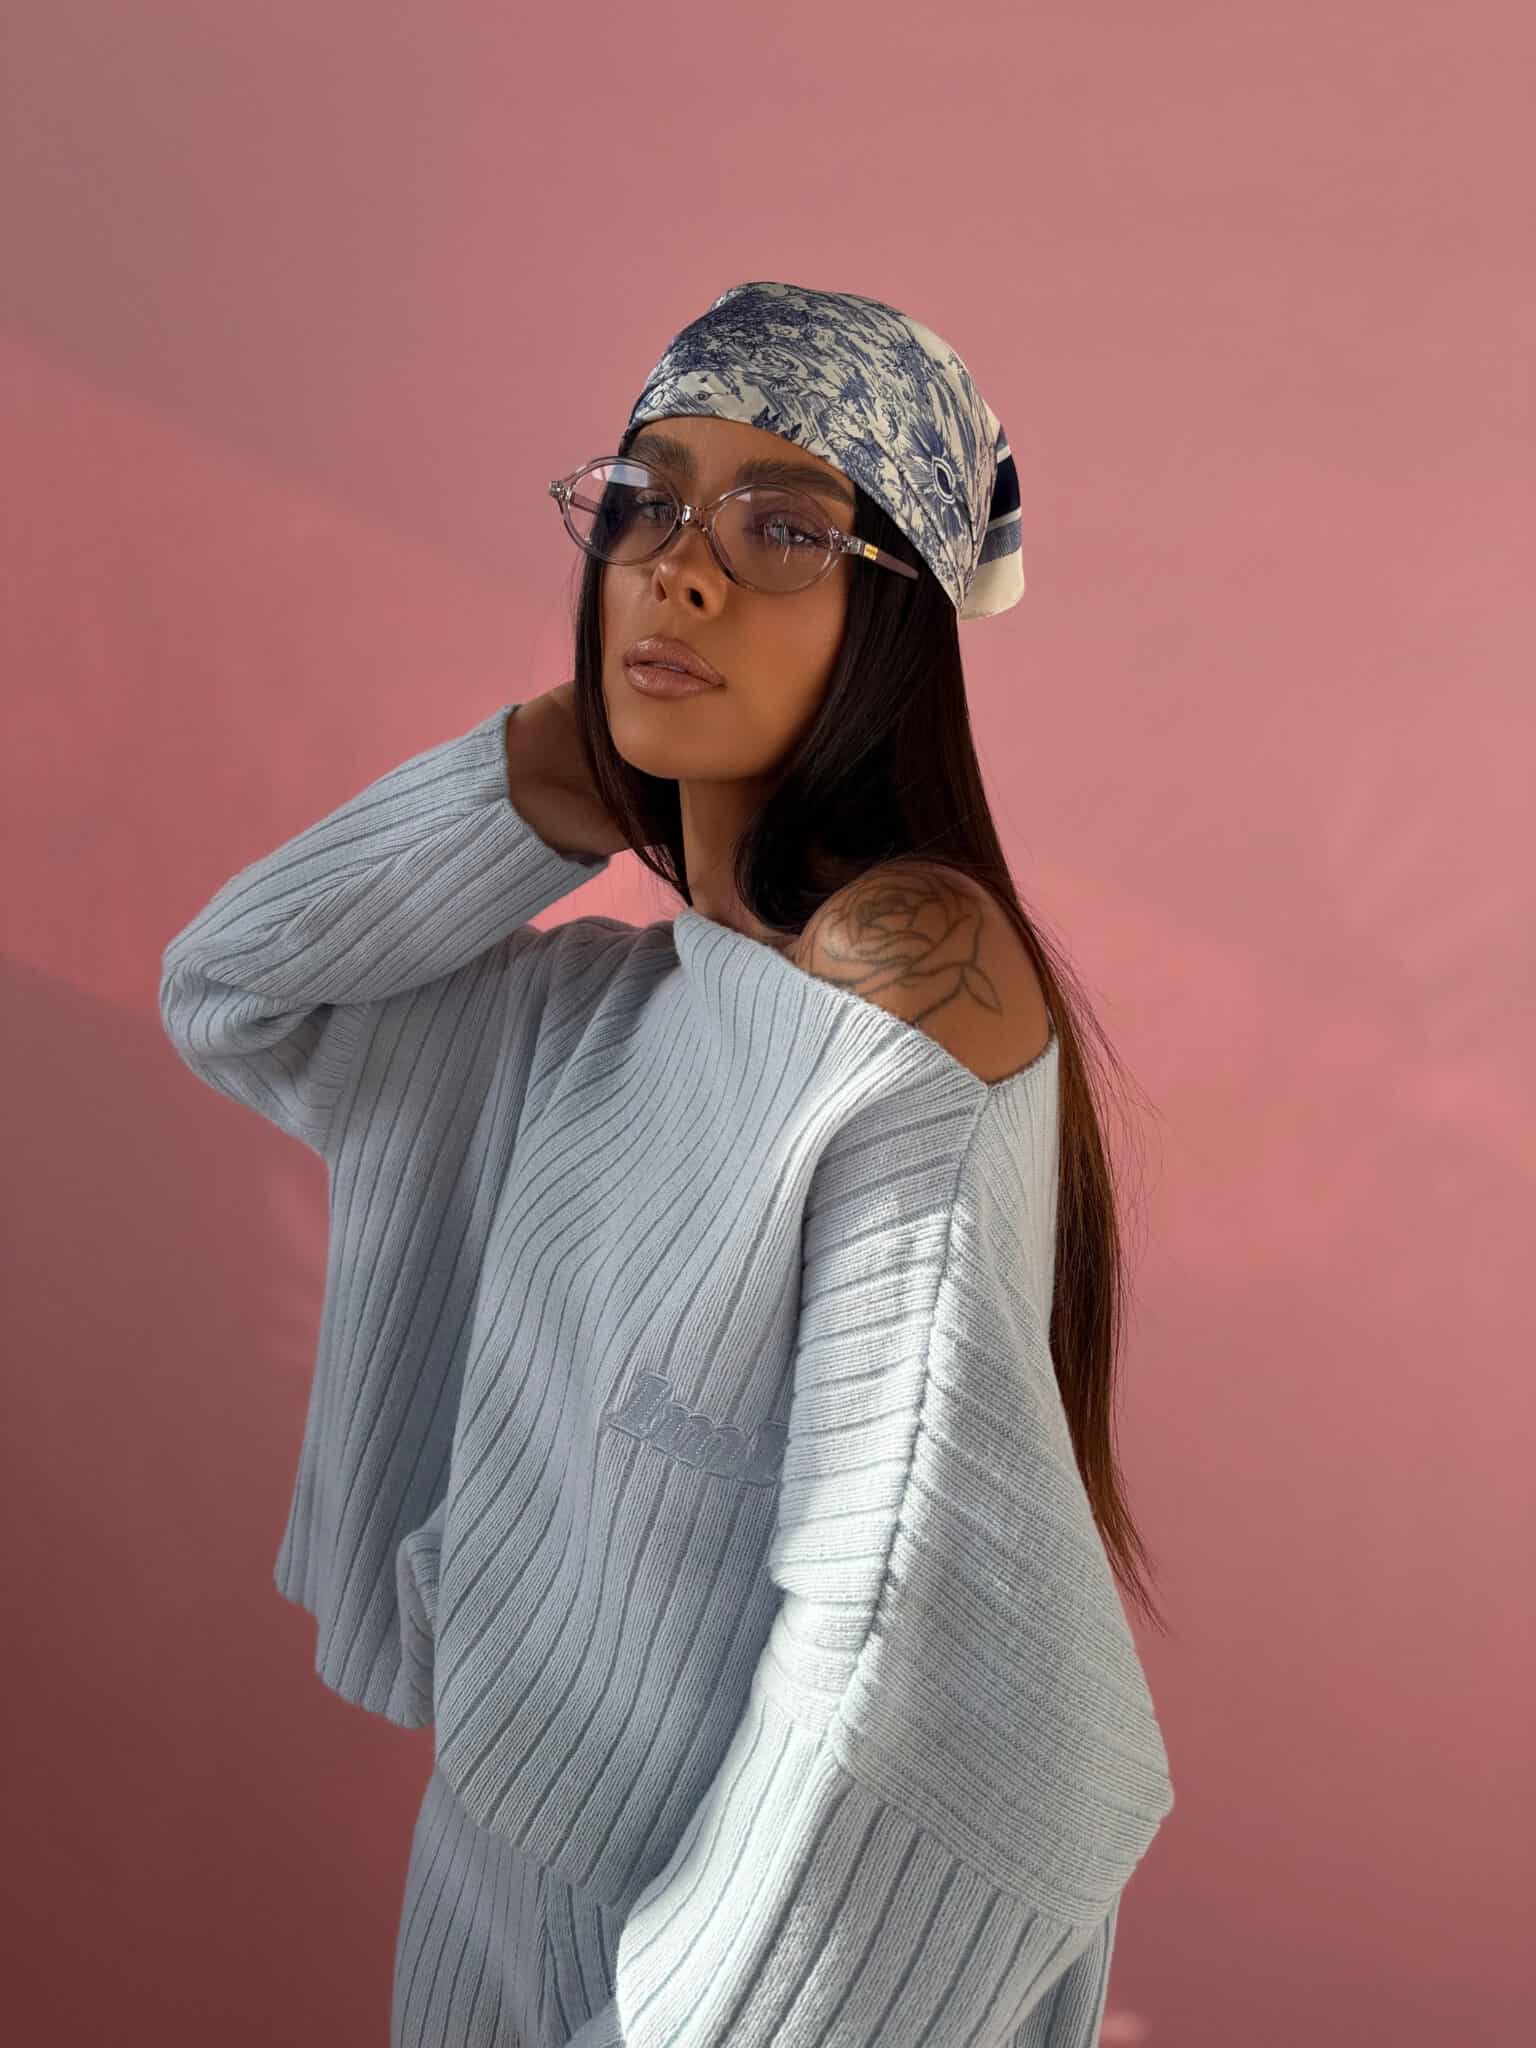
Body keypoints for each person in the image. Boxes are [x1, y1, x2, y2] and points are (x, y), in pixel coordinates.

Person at [159, 281, 1174, 2048]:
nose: (679, 571)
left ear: (897, 623)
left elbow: (913, 1645)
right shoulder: (596, 1020)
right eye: (644, 504)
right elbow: (236, 993)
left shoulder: (904, 967)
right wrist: (525, 780)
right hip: (490, 1885)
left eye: (782, 529)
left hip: (726, 1973)